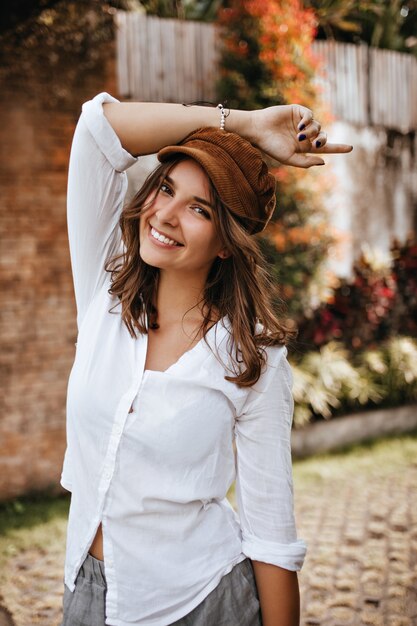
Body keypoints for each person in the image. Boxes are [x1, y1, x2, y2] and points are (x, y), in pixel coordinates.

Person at [60, 92, 352, 626]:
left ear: (225, 242)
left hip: (204, 604)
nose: (166, 216)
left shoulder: (251, 357)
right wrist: (244, 124)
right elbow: (97, 128)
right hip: (88, 597)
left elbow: (271, 536)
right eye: (166, 188)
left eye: (199, 209)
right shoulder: (105, 285)